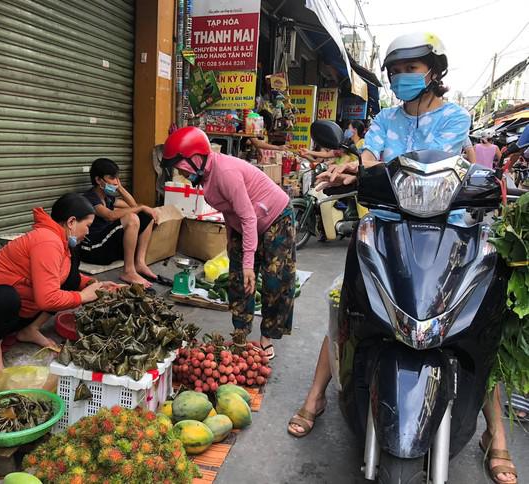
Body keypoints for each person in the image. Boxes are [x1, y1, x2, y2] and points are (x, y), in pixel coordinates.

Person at [293, 32, 517, 484]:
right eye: (395, 71)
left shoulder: (456, 117)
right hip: (386, 229)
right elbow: (372, 155)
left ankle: (497, 438)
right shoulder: (385, 118)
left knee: (480, 325)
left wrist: (370, 167)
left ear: (434, 71)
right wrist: (358, 166)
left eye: (410, 69)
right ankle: (315, 397)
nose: (400, 78)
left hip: (449, 235)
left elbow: (434, 161)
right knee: (347, 308)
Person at [161, 126, 296, 359]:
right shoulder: (205, 175)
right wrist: (231, 241)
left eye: (179, 166)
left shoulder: (225, 172)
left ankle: (266, 338)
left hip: (276, 217)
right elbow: (229, 210)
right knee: (238, 281)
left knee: (276, 281)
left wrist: (248, 263)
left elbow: (247, 216)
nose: (180, 173)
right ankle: (241, 335)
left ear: (195, 157)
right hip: (244, 223)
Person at [0, 193, 118, 381]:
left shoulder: (63, 242)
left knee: (71, 280)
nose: (88, 232)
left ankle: (29, 330)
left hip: (14, 315)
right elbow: (46, 298)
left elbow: (62, 275)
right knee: (5, 297)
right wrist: (82, 297)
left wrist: (93, 285)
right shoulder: (46, 241)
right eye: (88, 226)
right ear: (72, 222)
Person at [80, 158, 160, 289]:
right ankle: (128, 271)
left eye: (117, 178)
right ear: (99, 180)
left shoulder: (108, 198)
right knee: (132, 218)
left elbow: (133, 205)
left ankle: (139, 263)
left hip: (106, 244)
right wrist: (141, 207)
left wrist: (120, 188)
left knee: (146, 216)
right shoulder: (89, 198)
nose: (116, 181)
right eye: (112, 178)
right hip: (93, 249)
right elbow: (109, 216)